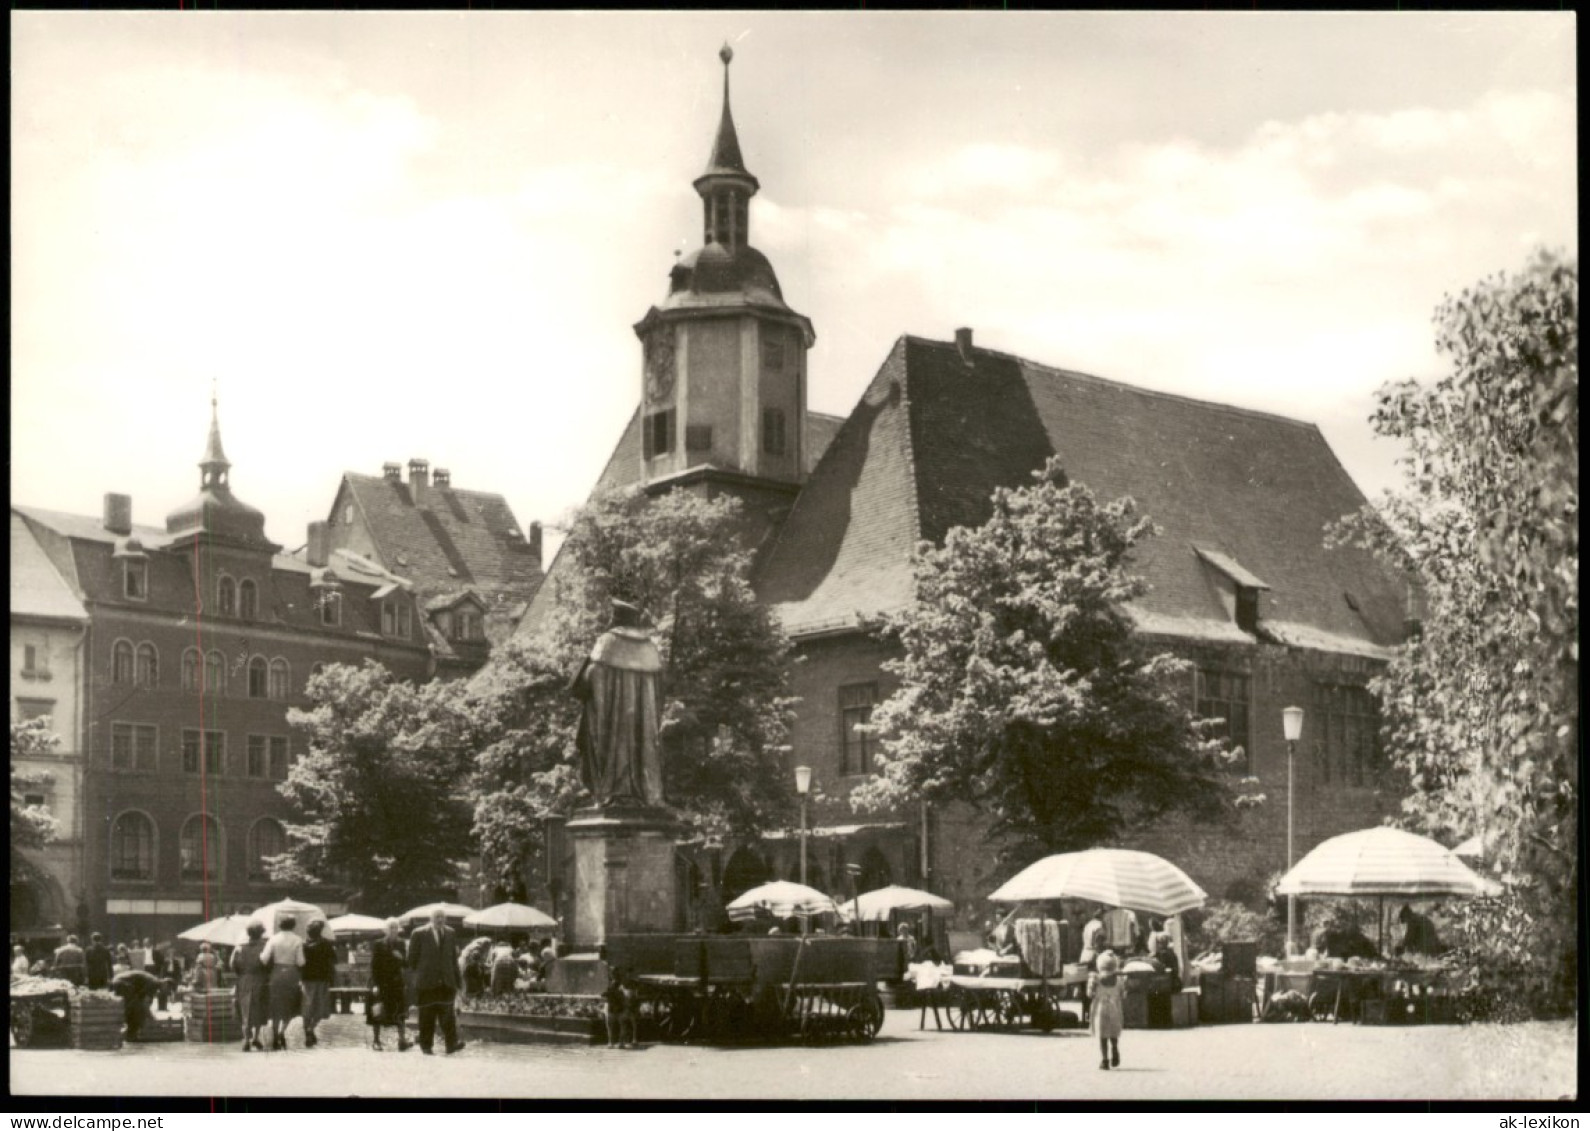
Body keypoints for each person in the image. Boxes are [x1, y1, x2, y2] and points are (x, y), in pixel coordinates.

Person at [570, 599, 665, 807]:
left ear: (616, 617)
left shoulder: (607, 642)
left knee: (609, 743)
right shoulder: (649, 648)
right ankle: (645, 790)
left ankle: (613, 788)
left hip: (611, 726)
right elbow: (659, 695)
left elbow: (591, 681)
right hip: (641, 727)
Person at [407, 907, 464, 1055]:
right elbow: (411, 960)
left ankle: (451, 1044)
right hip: (427, 983)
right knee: (427, 1016)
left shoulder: (451, 933)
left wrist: (458, 981)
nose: (440, 920)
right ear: (431, 918)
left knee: (448, 1015)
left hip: (446, 981)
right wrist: (421, 974)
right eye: (437, 917)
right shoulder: (418, 934)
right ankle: (426, 1046)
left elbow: (453, 959)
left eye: (442, 917)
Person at [260, 914, 306, 1051]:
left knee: (276, 1005)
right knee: (289, 1005)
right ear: (293, 925)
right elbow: (301, 961)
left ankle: (274, 1034)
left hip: (277, 973)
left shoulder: (273, 939)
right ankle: (282, 1033)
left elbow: (264, 959)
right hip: (292, 974)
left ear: (280, 925)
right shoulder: (298, 940)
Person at [368, 918, 411, 1052]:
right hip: (381, 982)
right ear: (386, 930)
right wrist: (375, 984)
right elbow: (374, 966)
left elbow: (406, 964)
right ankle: (376, 1040)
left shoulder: (401, 943)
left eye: (396, 927)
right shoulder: (378, 944)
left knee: (400, 1011)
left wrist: (401, 957)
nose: (394, 930)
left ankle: (402, 1040)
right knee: (378, 1011)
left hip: (396, 982)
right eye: (391, 927)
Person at [231, 922, 270, 1052]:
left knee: (244, 1009)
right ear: (261, 933)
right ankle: (256, 1038)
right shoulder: (265, 947)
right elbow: (268, 964)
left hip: (243, 980)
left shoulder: (240, 948)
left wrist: (241, 973)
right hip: (260, 979)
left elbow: (232, 965)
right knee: (259, 1008)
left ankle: (246, 1039)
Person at [300, 920, 336, 1048]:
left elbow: (300, 962)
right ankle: (311, 1028)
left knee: (307, 1007)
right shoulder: (326, 944)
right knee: (320, 1008)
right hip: (322, 979)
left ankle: (307, 1033)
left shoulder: (303, 944)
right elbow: (334, 960)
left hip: (306, 979)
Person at [1088, 950, 1125, 1071]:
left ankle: (1105, 1060)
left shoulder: (1096, 980)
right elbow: (1123, 995)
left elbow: (1090, 994)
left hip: (1100, 1012)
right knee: (1113, 1034)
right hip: (1114, 1010)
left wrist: (1091, 986)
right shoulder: (1119, 981)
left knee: (1102, 1037)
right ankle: (1114, 1048)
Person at [910, 946, 946, 1031]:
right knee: (932, 1005)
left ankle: (923, 1025)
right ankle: (937, 1025)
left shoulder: (923, 965)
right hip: (932, 985)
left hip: (924, 985)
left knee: (926, 1005)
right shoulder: (934, 964)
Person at [603, 968, 638, 1048]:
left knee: (610, 1026)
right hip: (620, 1008)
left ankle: (610, 1043)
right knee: (622, 1025)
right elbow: (625, 997)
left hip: (610, 1007)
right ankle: (621, 1043)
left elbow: (605, 995)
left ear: (611, 975)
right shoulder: (621, 985)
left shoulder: (609, 985)